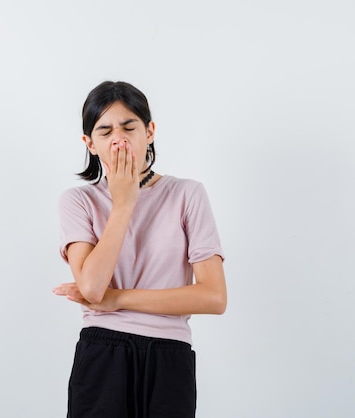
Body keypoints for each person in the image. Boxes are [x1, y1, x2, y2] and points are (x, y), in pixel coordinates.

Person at [53, 81, 227, 418]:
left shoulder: (187, 194)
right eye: (104, 131)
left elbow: (214, 297)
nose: (118, 138)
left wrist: (117, 299)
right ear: (89, 143)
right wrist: (123, 204)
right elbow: (91, 287)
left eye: (129, 126)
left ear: (149, 131)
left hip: (170, 355)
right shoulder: (78, 201)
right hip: (104, 352)